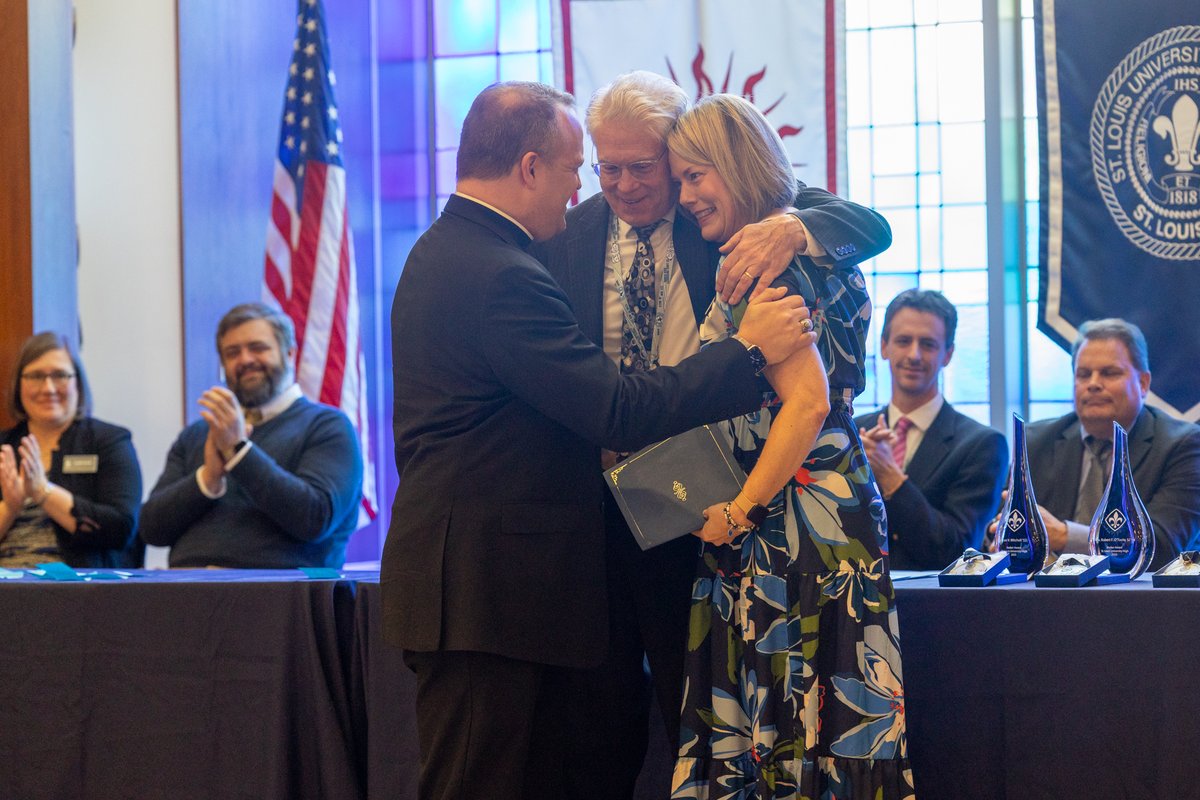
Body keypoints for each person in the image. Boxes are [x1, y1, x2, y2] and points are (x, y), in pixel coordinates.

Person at [383, 81, 815, 800]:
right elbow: (614, 408)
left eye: (636, 167)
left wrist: (797, 229)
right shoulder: (501, 272)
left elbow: (825, 210)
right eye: (577, 169)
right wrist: (746, 351)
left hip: (527, 578)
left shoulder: (459, 250)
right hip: (487, 592)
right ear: (529, 168)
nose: (587, 187)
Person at [532, 70, 893, 796]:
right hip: (602, 513)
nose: (625, 185)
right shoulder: (566, 235)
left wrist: (794, 228)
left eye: (647, 167)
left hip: (727, 506)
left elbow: (861, 228)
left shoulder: (752, 238)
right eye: (607, 168)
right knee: (610, 727)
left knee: (732, 710)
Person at [667, 93, 912, 798]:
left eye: (695, 176)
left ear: (736, 164)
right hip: (833, 508)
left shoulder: (764, 263)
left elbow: (805, 404)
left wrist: (738, 509)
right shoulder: (803, 244)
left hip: (786, 522)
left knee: (781, 729)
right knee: (827, 731)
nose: (684, 197)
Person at [139, 302, 362, 568]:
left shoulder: (328, 427)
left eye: (258, 348)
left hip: (278, 590)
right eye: (232, 353)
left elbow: (315, 518)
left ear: (289, 354)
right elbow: (151, 529)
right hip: (186, 585)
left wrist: (239, 452)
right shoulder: (198, 434)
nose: (245, 360)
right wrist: (208, 479)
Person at [1015, 318, 1200, 568]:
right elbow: (1000, 531)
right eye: (1083, 374)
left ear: (1143, 384)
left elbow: (1165, 547)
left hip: (1140, 591)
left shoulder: (1183, 445)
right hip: (1049, 588)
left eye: (1109, 373)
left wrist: (1066, 536)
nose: (1093, 384)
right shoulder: (1035, 441)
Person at [855, 289, 1007, 569]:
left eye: (927, 344)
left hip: (931, 595)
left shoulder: (983, 444)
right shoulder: (854, 431)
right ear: (884, 346)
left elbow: (960, 551)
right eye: (903, 341)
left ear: (947, 354)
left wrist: (892, 479)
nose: (914, 355)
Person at [0, 332, 142, 568]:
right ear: (18, 385)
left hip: (76, 585)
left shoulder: (109, 441)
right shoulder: (3, 447)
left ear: (78, 382)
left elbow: (121, 529)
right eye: (36, 376)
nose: (48, 388)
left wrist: (44, 492)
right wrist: (10, 507)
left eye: (60, 375)